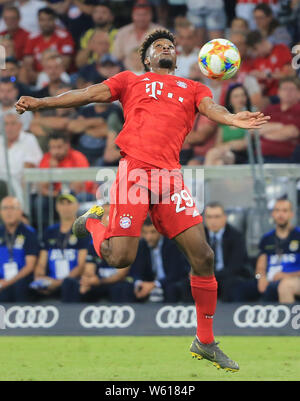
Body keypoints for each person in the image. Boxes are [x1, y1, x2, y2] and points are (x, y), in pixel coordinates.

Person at [16, 28, 270, 372]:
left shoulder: (194, 88)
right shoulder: (130, 81)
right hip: (134, 171)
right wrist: (42, 103)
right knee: (120, 259)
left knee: (204, 256)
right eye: (158, 45)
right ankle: (93, 221)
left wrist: (232, 118)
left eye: (171, 46)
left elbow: (213, 108)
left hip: (170, 178)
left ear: (177, 58)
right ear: (147, 57)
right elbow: (87, 93)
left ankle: (205, 341)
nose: (166, 48)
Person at [61, 203, 133, 302]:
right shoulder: (94, 242)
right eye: (103, 215)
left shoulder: (126, 241)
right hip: (98, 282)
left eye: (110, 214)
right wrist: (88, 281)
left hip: (116, 282)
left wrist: (98, 281)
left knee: (121, 288)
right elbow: (89, 270)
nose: (106, 218)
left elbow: (120, 274)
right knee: (70, 283)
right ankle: (72, 315)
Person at [233, 199, 300, 303]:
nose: (280, 214)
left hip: (294, 279)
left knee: (285, 286)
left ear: (291, 214)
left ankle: (289, 318)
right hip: (271, 280)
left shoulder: (298, 235)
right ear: (272, 214)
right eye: (277, 211)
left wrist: (286, 275)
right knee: (239, 288)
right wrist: (261, 277)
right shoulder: (267, 238)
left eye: (284, 211)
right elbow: (261, 266)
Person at [32, 193, 89, 301]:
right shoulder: (49, 232)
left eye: (69, 203)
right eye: (62, 203)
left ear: (77, 206)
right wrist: (39, 276)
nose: (65, 207)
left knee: (69, 284)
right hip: (51, 281)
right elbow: (41, 262)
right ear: (57, 207)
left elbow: (82, 265)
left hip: (73, 282)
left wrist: (59, 283)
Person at [130, 216, 192, 302]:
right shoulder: (141, 246)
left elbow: (176, 274)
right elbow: (136, 271)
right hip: (149, 283)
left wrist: (154, 284)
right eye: (145, 233)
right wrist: (139, 283)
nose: (149, 237)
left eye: (152, 232)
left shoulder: (172, 244)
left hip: (170, 282)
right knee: (129, 288)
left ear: (160, 231)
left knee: (171, 289)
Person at [203, 202, 251, 302]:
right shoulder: (200, 237)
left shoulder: (236, 236)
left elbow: (235, 266)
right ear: (205, 219)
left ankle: (226, 315)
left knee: (231, 284)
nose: (213, 221)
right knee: (188, 284)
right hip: (206, 277)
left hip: (229, 276)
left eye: (217, 217)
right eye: (209, 217)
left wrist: (213, 277)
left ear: (224, 217)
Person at [0, 196, 39, 302]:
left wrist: (7, 283)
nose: (8, 212)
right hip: (2, 280)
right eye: (5, 208)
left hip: (21, 280)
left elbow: (30, 266)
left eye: (12, 208)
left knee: (17, 287)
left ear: (20, 211)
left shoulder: (29, 233)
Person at [22, 7, 75, 84]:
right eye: (42, 20)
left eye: (49, 19)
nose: (46, 23)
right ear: (38, 21)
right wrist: (38, 76)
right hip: (38, 76)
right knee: (23, 70)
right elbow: (28, 63)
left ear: (54, 21)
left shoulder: (64, 36)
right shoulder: (32, 38)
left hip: (60, 75)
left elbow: (65, 64)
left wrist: (50, 73)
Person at [0, 112, 43, 205]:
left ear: (20, 126)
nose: (9, 127)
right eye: (6, 124)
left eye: (13, 123)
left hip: (22, 187)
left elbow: (30, 166)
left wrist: (23, 196)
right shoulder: (0, 141)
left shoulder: (29, 139)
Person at [204, 84, 251, 165]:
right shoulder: (225, 120)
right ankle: (208, 177)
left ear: (246, 98)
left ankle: (205, 177)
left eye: (242, 95)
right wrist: (228, 146)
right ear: (230, 100)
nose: (240, 99)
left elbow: (246, 143)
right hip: (224, 153)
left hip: (242, 155)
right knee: (219, 162)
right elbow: (217, 144)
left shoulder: (251, 117)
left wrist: (227, 146)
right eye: (236, 96)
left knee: (214, 154)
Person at [258, 77, 300, 163]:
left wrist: (265, 134)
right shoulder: (270, 109)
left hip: (286, 158)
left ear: (299, 93)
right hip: (259, 157)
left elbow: (292, 132)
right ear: (278, 92)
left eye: (291, 89)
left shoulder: (298, 110)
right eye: (284, 89)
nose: (288, 92)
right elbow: (255, 128)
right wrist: (280, 126)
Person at [112, 0, 162, 70]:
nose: (141, 18)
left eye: (145, 14)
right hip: (127, 74)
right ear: (132, 15)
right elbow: (116, 58)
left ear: (151, 15)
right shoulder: (122, 32)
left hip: (152, 74)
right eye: (138, 15)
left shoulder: (161, 32)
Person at [246, 30, 294, 99]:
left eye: (255, 50)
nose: (255, 54)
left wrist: (266, 75)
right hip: (269, 97)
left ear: (262, 43)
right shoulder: (257, 61)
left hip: (286, 93)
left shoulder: (281, 49)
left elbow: (290, 74)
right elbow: (262, 86)